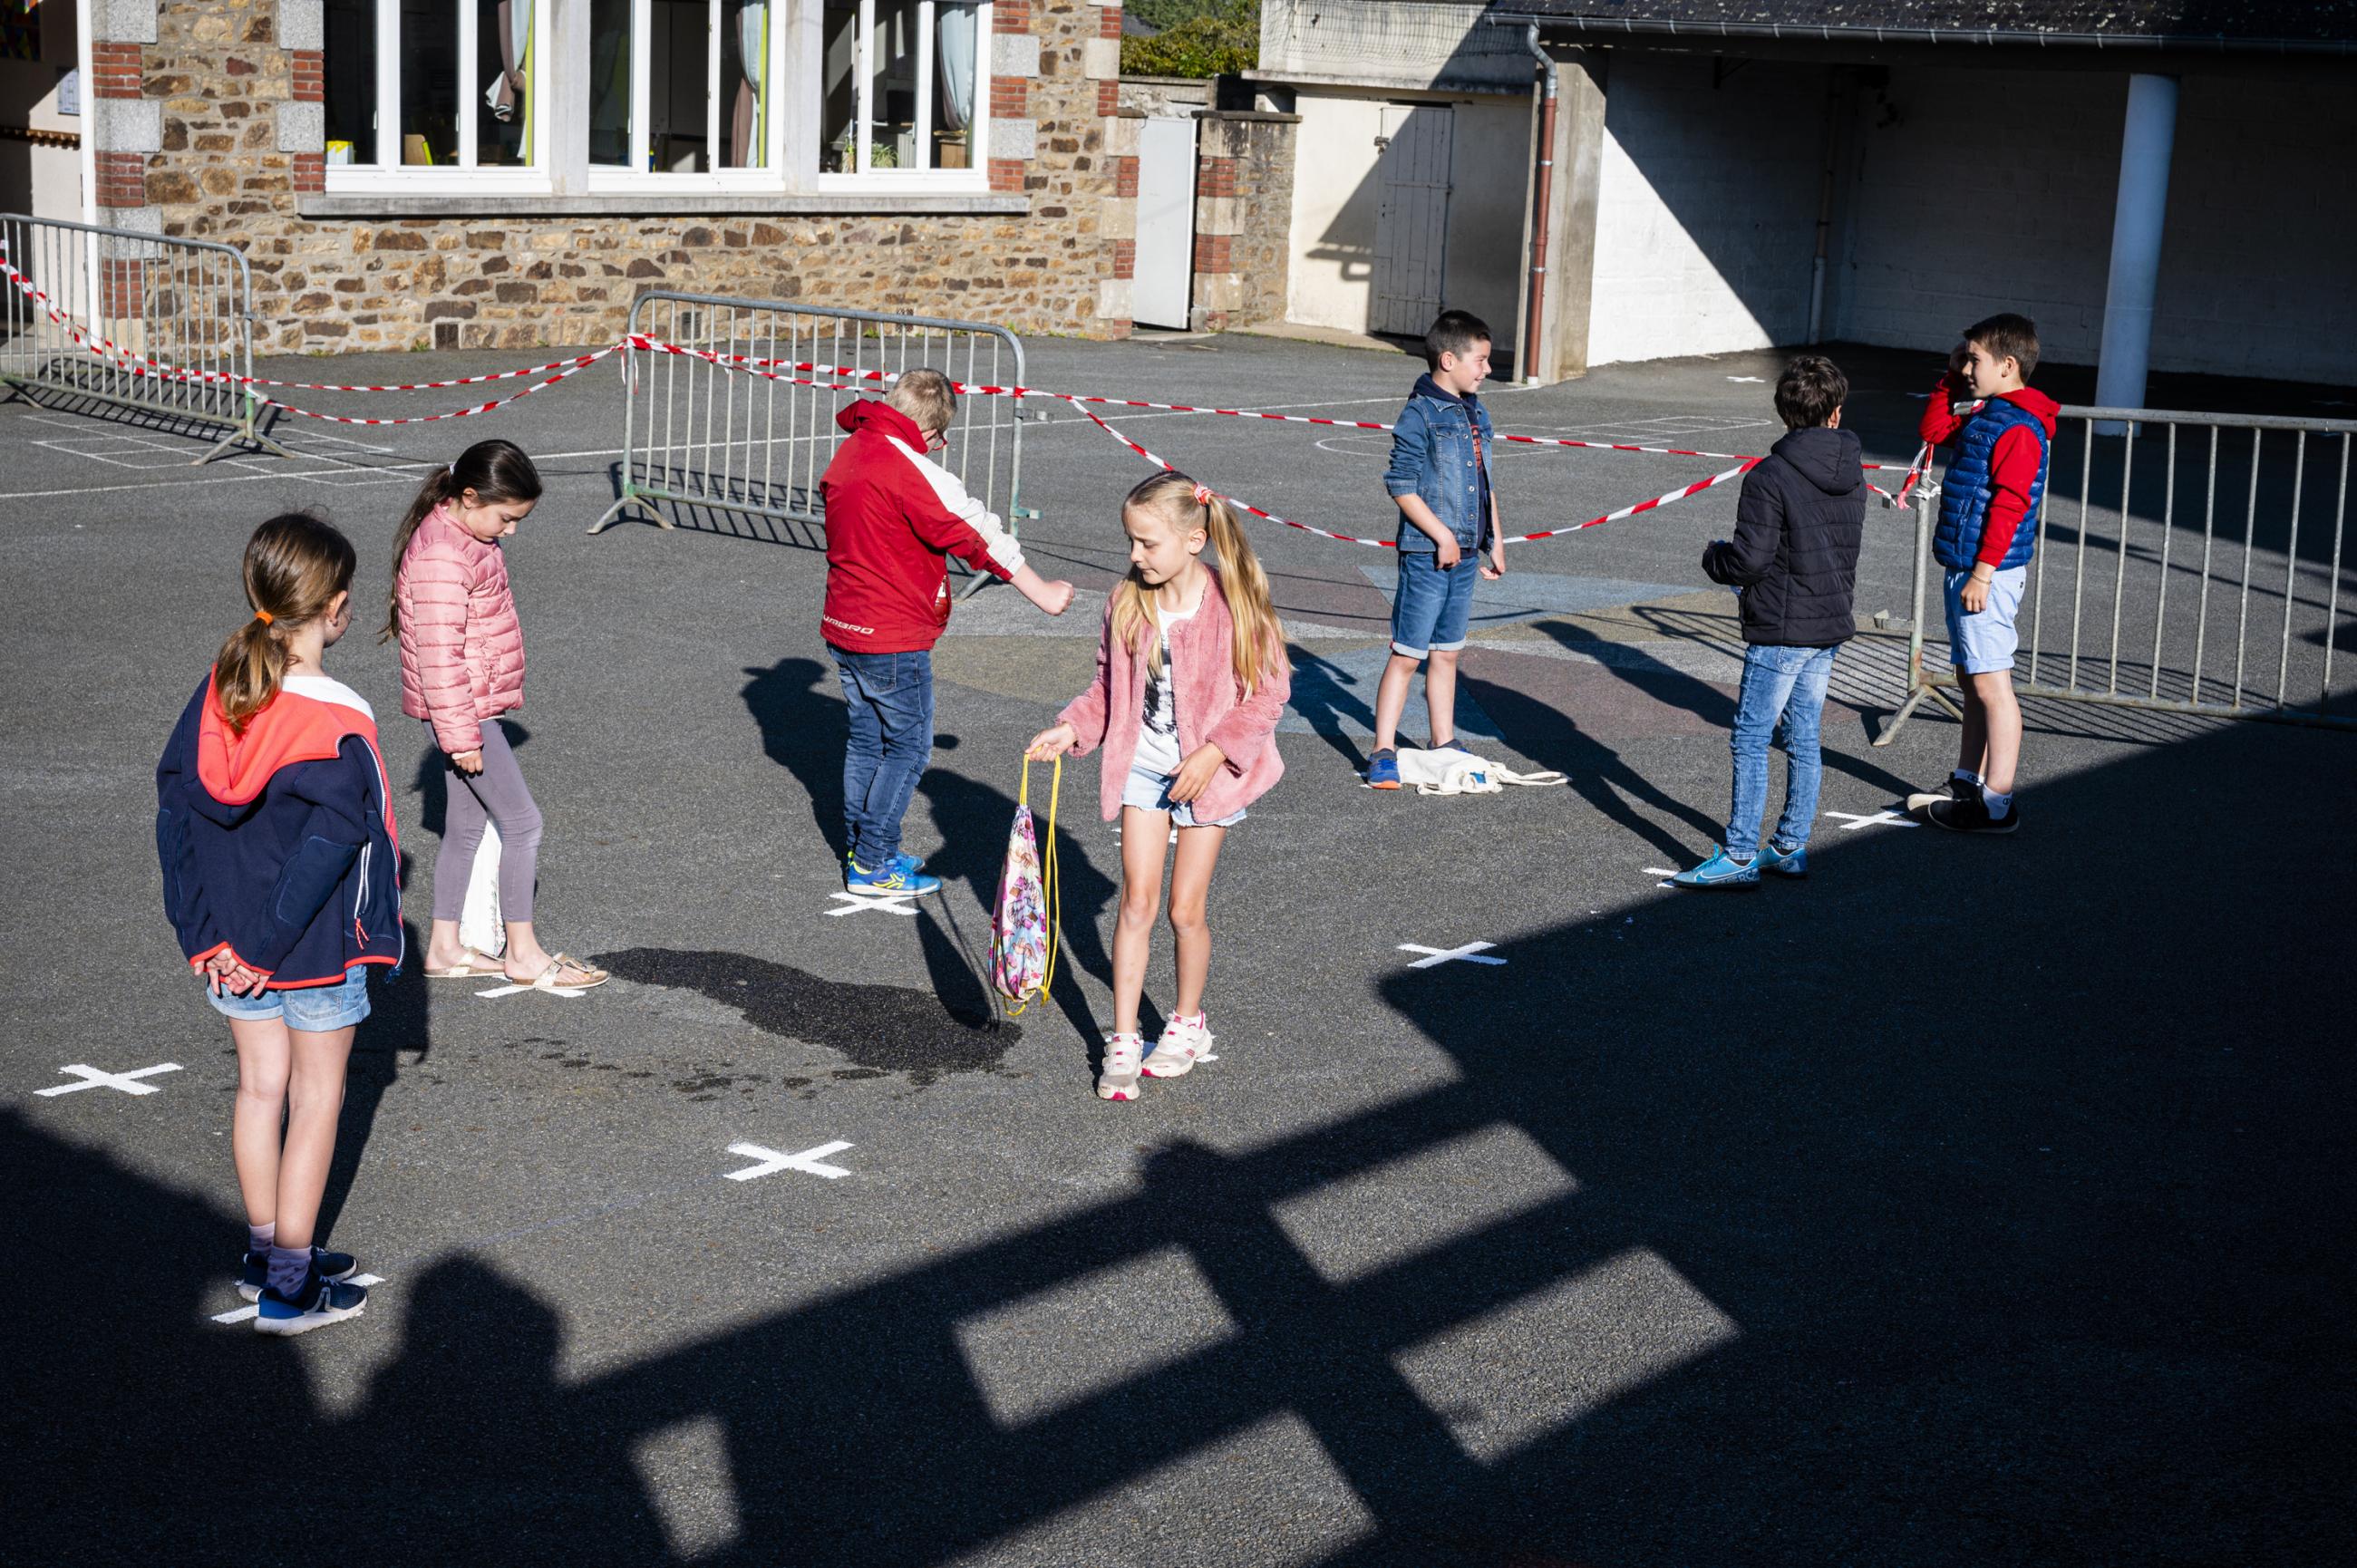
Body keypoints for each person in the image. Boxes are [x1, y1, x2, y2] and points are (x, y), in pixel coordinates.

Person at [157, 512, 402, 1334]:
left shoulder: (221, 685)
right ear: (336, 607)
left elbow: (175, 810)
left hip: (225, 939)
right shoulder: (338, 715)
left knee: (260, 1089)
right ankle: (292, 1288)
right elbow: (335, 844)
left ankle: (267, 1253)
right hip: (311, 944)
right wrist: (265, 947)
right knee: (318, 1097)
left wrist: (204, 933)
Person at [1026, 471, 1291, 1101]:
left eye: (1147, 544)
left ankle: (1186, 1024)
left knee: (1184, 910)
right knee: (1137, 906)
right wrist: (1071, 729)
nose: (1134, 556)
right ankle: (1121, 1038)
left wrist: (1216, 750)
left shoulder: (1237, 603)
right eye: (1131, 542)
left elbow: (1270, 693)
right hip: (1142, 768)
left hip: (1208, 775)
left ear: (1195, 538)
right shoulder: (1126, 601)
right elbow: (1106, 691)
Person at [820, 368, 1073, 895]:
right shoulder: (911, 469)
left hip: (845, 622)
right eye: (940, 439)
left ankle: (866, 848)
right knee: (909, 749)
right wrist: (1042, 591)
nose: (939, 448)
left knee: (868, 742)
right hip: (892, 632)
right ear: (930, 430)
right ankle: (871, 865)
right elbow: (975, 530)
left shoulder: (854, 449)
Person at [388, 439, 606, 991]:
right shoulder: (444, 554)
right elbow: (440, 659)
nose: (511, 530)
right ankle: (524, 955)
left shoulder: (463, 536)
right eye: (507, 518)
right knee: (523, 824)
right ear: (468, 496)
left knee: (465, 827)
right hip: (468, 711)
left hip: (469, 709)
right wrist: (463, 737)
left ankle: (443, 946)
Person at [1673, 355, 1867, 888]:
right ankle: (1790, 844)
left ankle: (1738, 853)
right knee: (1804, 736)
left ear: (1785, 413)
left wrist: (1716, 557)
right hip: (1828, 620)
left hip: (1782, 625)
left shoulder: (1770, 476)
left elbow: (1750, 559)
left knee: (1751, 737)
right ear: (1835, 413)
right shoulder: (1855, 473)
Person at [1906, 314, 2059, 833]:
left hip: (1984, 574)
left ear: (2008, 365)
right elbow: (1932, 431)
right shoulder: (1988, 412)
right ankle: (1967, 781)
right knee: (1971, 680)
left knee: (1993, 687)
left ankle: (1996, 802)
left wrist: (1985, 573)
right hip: (1966, 567)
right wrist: (1948, 376)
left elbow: (2012, 505)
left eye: (1974, 359)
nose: (1967, 367)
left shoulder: (2018, 425)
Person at [1365, 308, 1507, 789]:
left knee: (1447, 652)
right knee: (1408, 653)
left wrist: (1495, 540)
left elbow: (1485, 484)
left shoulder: (1476, 412)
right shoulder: (1419, 412)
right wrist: (1442, 535)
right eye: (1480, 361)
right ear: (1449, 359)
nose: (1487, 370)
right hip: (1427, 555)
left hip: (1467, 553)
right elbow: (1401, 484)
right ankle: (1383, 748)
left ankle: (1441, 739)